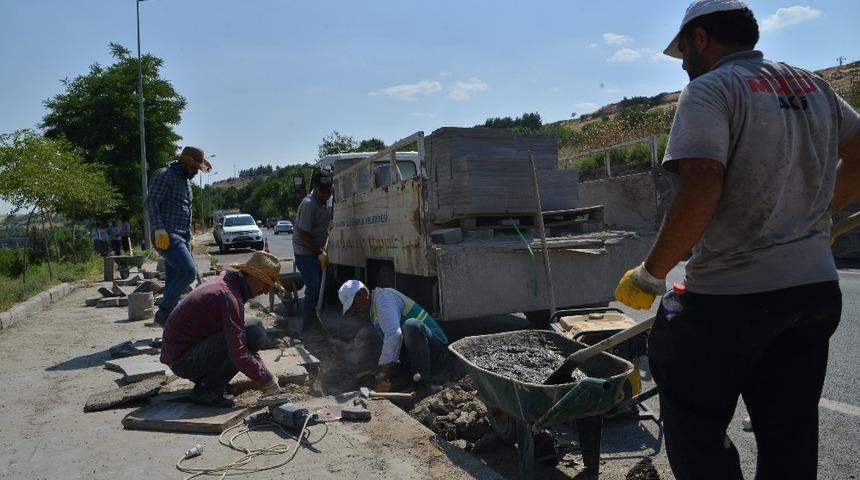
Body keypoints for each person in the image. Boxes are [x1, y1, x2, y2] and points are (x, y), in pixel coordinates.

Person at [613, 2, 860, 479]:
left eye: (683, 50)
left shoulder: (711, 90)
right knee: (789, 432)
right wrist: (818, 213)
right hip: (813, 293)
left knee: (693, 421)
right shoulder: (813, 85)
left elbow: (703, 181)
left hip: (731, 299)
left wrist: (651, 273)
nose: (683, 63)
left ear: (701, 39)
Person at [160, 251, 284, 407]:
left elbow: (245, 344)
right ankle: (207, 390)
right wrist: (265, 379)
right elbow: (238, 351)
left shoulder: (229, 284)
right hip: (183, 361)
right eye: (265, 285)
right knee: (252, 334)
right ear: (252, 277)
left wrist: (266, 375)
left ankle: (213, 380)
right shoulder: (229, 297)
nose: (266, 291)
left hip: (186, 351)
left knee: (254, 329)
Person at [338, 279, 448, 392]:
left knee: (411, 326)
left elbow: (394, 335)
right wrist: (377, 373)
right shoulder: (373, 310)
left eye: (353, 304)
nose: (354, 310)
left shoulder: (383, 298)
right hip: (417, 356)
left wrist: (382, 373)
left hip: (437, 354)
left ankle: (423, 385)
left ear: (363, 293)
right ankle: (410, 379)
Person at [146, 146, 212, 327]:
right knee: (188, 272)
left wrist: (189, 236)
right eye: (193, 168)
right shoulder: (164, 174)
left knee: (173, 279)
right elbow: (151, 203)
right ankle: (164, 314)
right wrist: (158, 229)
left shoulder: (186, 182)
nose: (194, 172)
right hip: (166, 234)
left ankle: (169, 324)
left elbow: (186, 211)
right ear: (183, 163)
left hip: (181, 235)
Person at [292, 166, 333, 332]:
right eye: (321, 191)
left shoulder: (330, 198)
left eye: (327, 190)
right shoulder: (309, 204)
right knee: (314, 285)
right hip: (304, 251)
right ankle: (307, 325)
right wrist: (320, 252)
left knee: (321, 287)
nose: (325, 194)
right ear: (315, 187)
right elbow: (303, 236)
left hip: (317, 249)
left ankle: (315, 317)